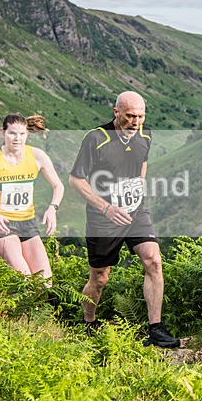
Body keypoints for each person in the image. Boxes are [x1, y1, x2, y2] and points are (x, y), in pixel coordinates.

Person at [69, 91, 179, 348]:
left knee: (153, 261)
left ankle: (155, 329)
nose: (136, 121)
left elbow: (142, 161)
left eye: (140, 116)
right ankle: (89, 323)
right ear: (116, 112)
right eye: (130, 116)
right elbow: (76, 180)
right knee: (100, 277)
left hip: (135, 212)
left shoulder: (145, 134)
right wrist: (106, 208)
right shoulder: (96, 138)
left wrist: (140, 184)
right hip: (103, 218)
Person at [0, 113, 64, 287]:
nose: (17, 138)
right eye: (12, 133)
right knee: (24, 280)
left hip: (28, 223)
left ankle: (27, 314)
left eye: (22, 134)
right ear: (2, 132)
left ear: (27, 134)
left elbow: (58, 186)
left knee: (45, 284)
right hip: (2, 225)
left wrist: (52, 209)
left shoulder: (37, 156)